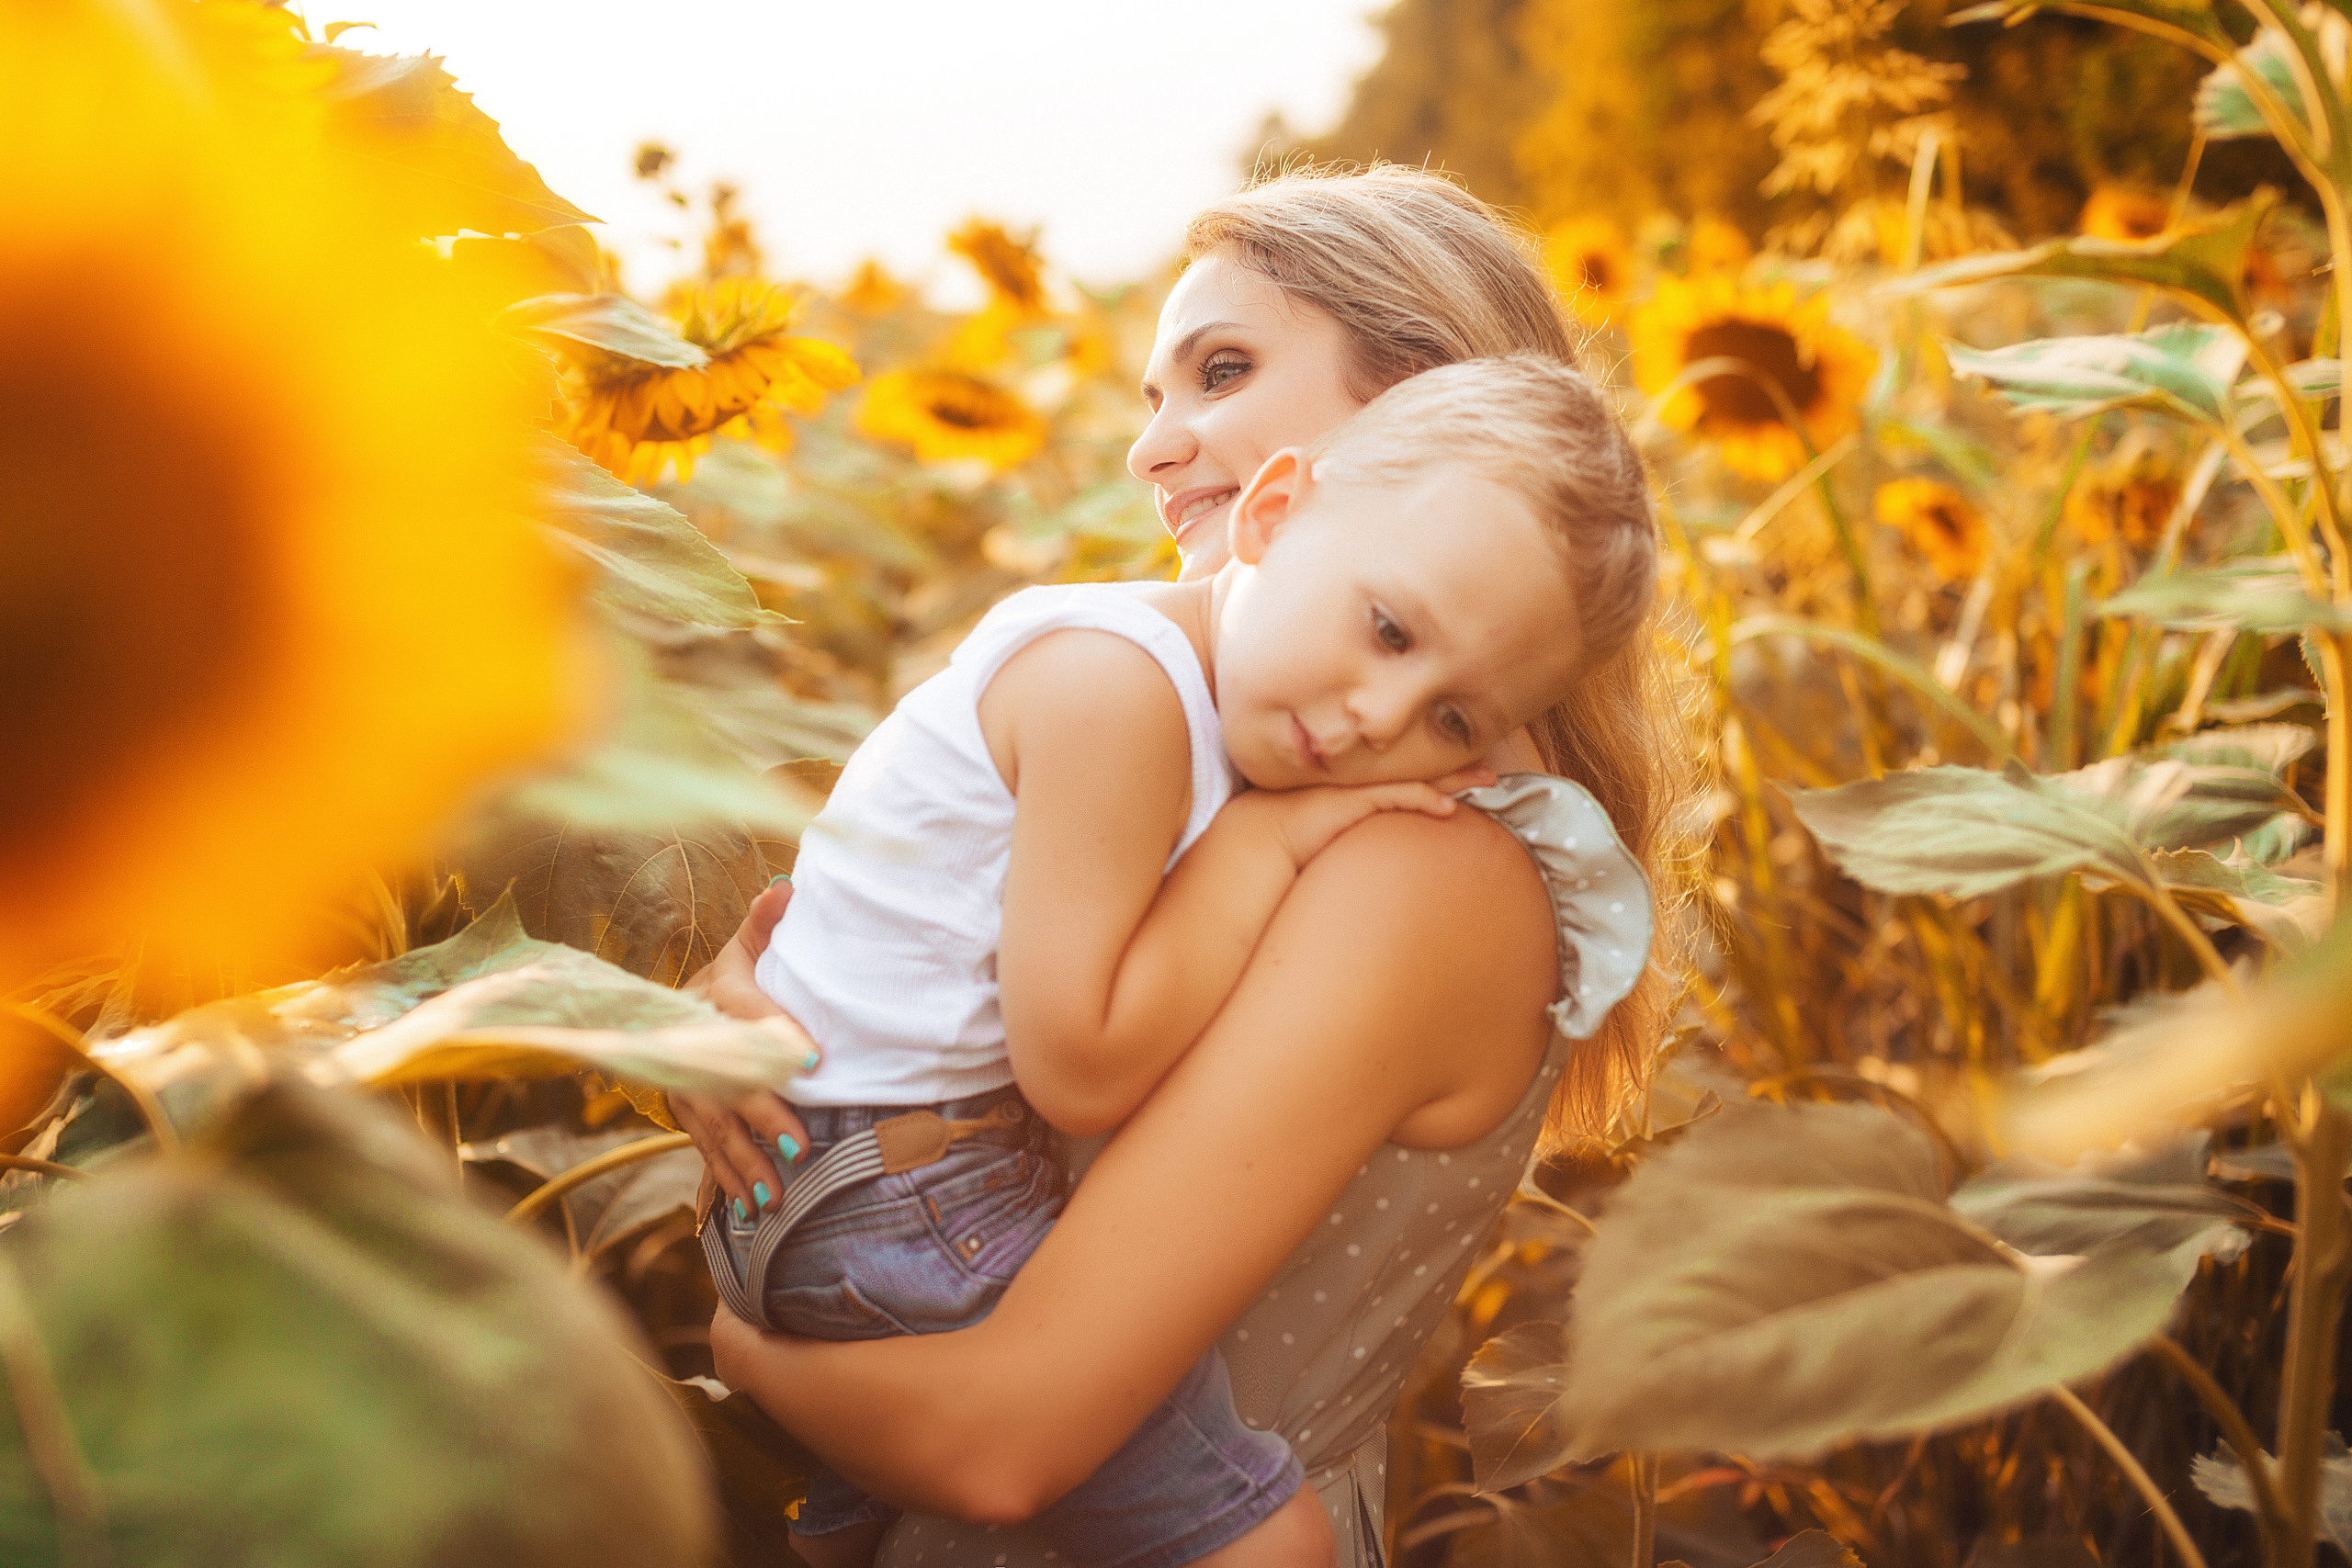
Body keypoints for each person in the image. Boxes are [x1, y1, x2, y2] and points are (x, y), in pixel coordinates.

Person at [673, 164, 1686, 1566]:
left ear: (1426, 407)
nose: (1155, 450)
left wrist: (740, 1334)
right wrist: (764, 1020)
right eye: (1155, 396)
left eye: (1222, 370)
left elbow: (1002, 1429)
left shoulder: (1419, 861)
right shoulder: (1254, 745)